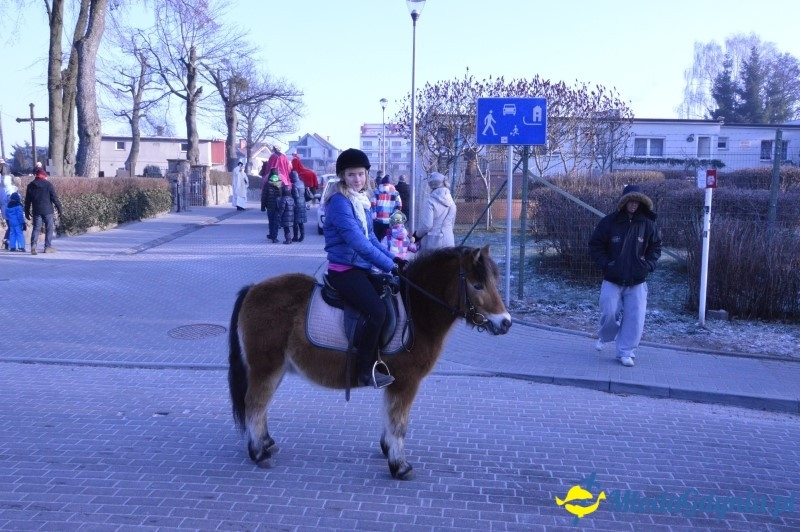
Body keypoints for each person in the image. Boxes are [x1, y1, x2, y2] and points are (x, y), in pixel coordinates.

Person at [323, 148, 405, 389]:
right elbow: (357, 243)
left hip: (360, 267)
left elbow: (370, 240)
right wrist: (390, 265)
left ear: (367, 175)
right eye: (351, 175)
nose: (357, 179)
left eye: (360, 174)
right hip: (343, 271)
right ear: (342, 177)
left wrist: (396, 260)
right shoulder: (340, 203)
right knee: (376, 311)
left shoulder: (360, 201)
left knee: (391, 293)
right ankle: (363, 370)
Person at [588, 184, 662, 367]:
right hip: (612, 278)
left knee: (635, 319)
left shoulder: (648, 224)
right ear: (624, 202)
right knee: (609, 312)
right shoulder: (609, 222)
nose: (633, 205)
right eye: (630, 201)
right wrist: (606, 264)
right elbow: (595, 245)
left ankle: (626, 352)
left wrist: (648, 265)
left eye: (637, 202)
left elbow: (656, 248)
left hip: (637, 280)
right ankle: (605, 336)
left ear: (641, 204)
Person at [413, 172, 456, 255]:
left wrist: (416, 236)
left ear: (431, 185)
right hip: (449, 241)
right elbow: (452, 224)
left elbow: (427, 226)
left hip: (433, 243)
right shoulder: (452, 203)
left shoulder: (429, 201)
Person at [25, 167, 63, 255]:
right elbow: (54, 198)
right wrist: (59, 208)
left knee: (36, 228)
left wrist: (27, 212)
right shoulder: (48, 184)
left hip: (36, 211)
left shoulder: (30, 186)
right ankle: (47, 247)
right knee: (49, 228)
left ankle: (33, 246)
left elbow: (27, 201)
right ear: (43, 175)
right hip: (48, 211)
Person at [370, 174, 402, 239]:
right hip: (389, 221)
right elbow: (399, 206)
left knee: (377, 240)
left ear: (382, 183)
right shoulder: (395, 193)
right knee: (387, 240)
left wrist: (374, 217)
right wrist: (394, 218)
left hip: (378, 221)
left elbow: (373, 205)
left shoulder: (376, 192)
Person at [260, 169, 282, 243]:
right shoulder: (280, 183)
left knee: (271, 221)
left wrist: (262, 207)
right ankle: (274, 237)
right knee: (276, 222)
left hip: (270, 206)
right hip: (278, 206)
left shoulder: (267, 184)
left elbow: (264, 196)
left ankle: (271, 235)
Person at [288, 170, 307, 242]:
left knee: (295, 222)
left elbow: (295, 196)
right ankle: (302, 236)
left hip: (296, 205)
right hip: (302, 203)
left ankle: (295, 237)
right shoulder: (302, 183)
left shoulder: (294, 185)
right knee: (301, 221)